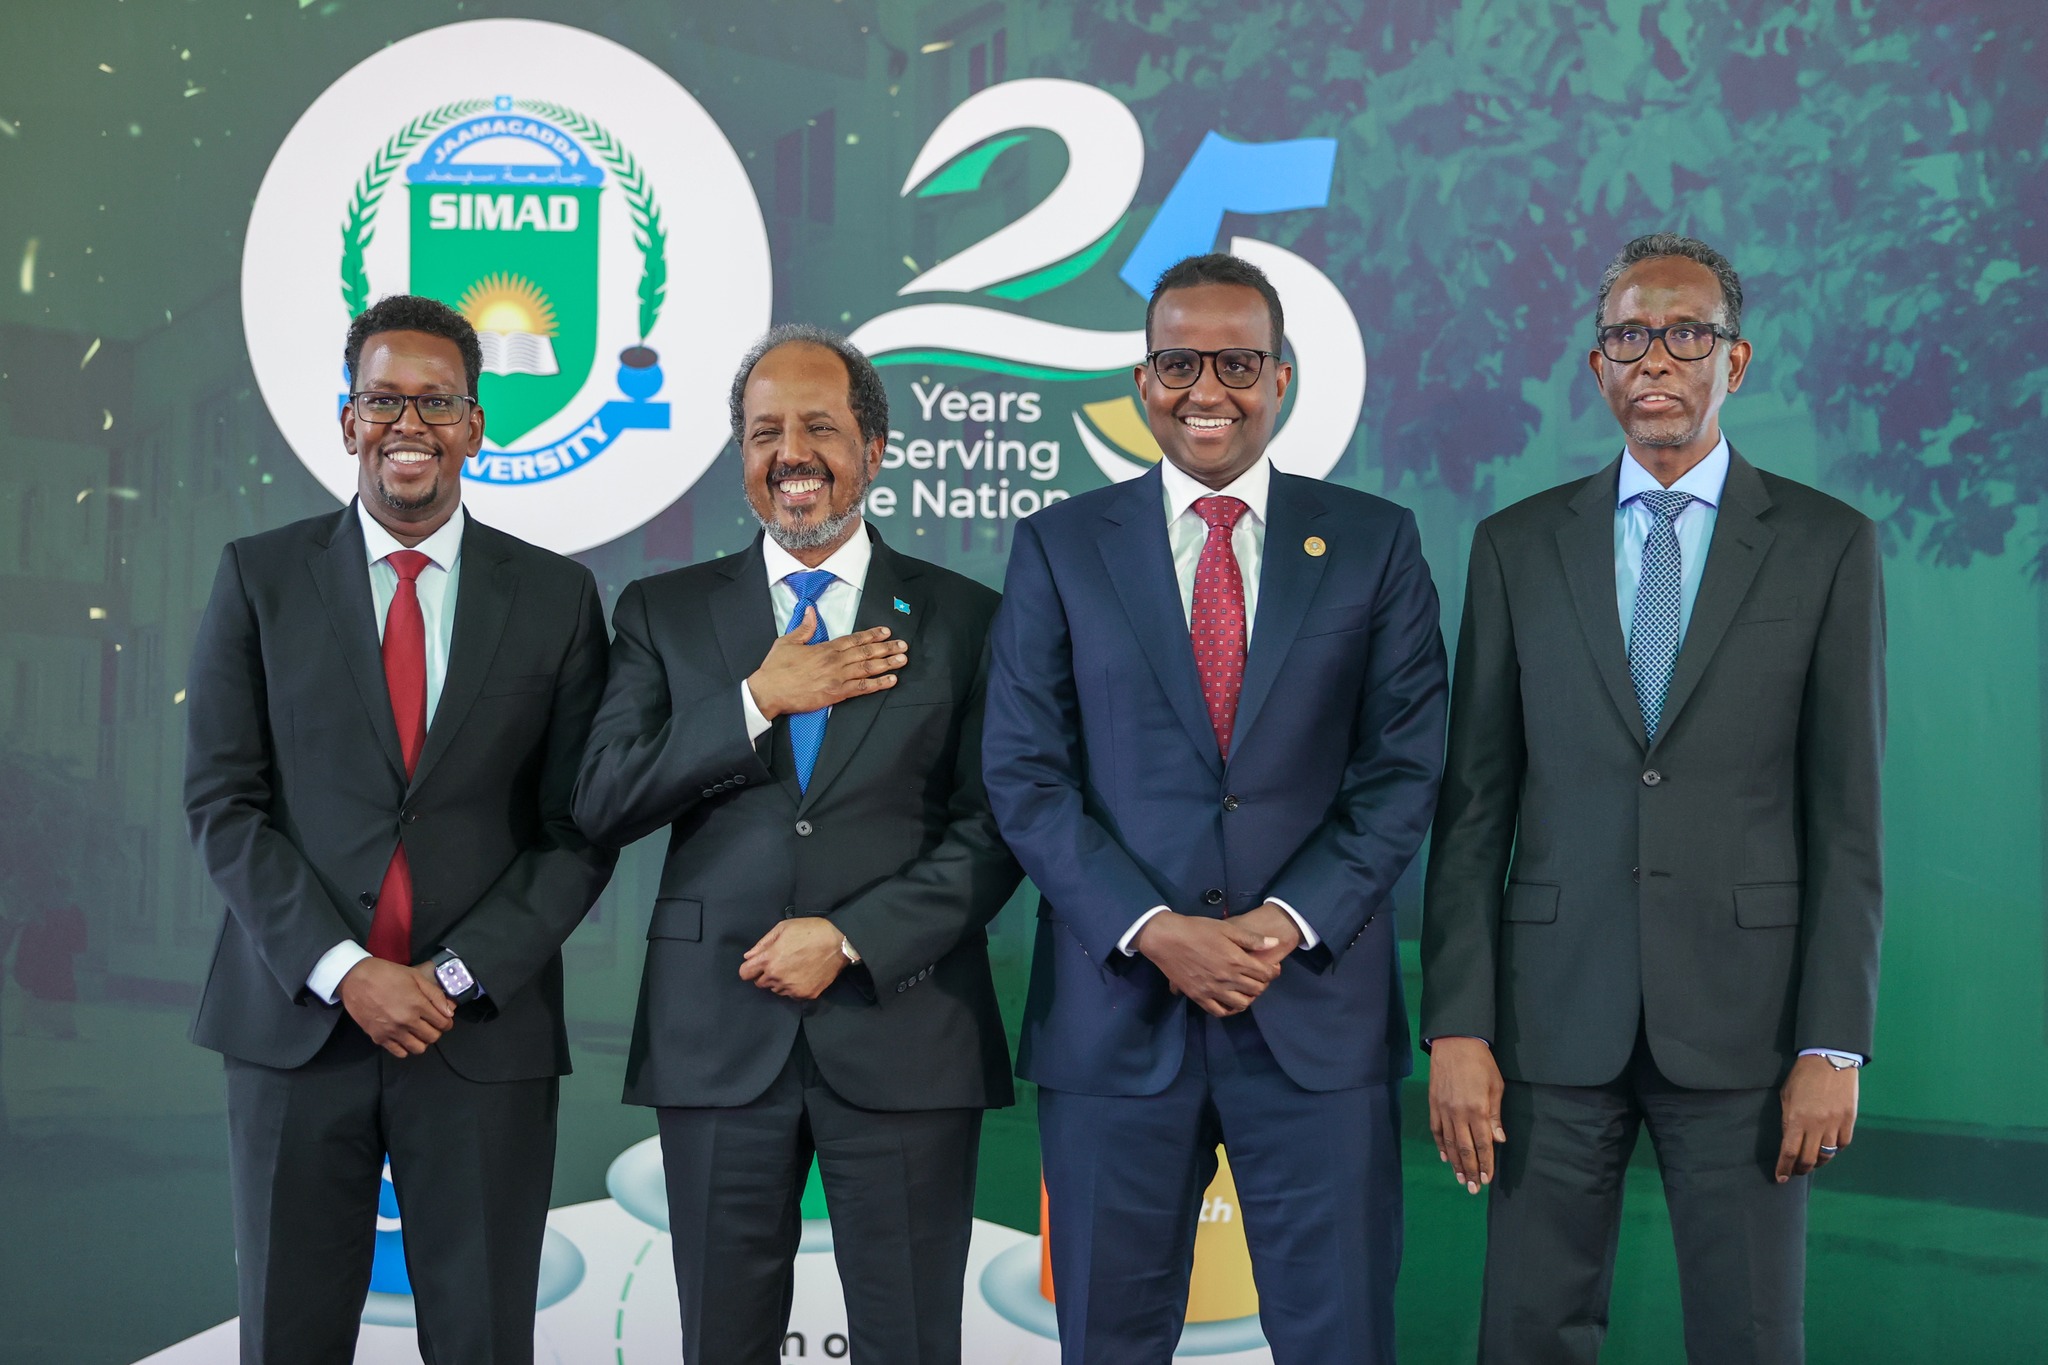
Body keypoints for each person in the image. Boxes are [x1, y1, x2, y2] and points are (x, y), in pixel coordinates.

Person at [1423, 232, 1885, 1364]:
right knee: (1527, 1329)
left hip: (1746, 1025)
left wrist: (1833, 1043)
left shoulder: (1827, 545)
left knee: (1747, 1333)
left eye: (1686, 334)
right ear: (1597, 369)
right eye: (1628, 336)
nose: (1655, 360)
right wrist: (1458, 1023)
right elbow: (1474, 804)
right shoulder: (1514, 546)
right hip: (1547, 1020)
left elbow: (1845, 814)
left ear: (1735, 362)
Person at [983, 252, 1448, 1364]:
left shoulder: (1374, 543)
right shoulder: (1059, 546)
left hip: (1312, 1013)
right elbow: (1023, 773)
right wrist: (1158, 933)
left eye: (1236, 362)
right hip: (1115, 1014)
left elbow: (1401, 769)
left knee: (1338, 1336)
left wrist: (1280, 924)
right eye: (1179, 363)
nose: (1207, 390)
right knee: (1108, 1338)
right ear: (1142, 382)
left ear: (1280, 378)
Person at [573, 325, 1021, 1365]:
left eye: (819, 426)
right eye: (764, 430)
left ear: (873, 448)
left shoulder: (965, 618)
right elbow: (600, 799)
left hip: (905, 1028)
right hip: (716, 1035)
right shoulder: (662, 612)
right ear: (740, 454)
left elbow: (998, 827)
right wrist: (754, 701)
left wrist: (855, 936)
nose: (791, 452)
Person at [184, 294, 616, 1364]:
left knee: (479, 1341)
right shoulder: (259, 578)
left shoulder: (559, 600)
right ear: (347, 419)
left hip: (478, 1038)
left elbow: (579, 826)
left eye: (434, 401)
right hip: (296, 1031)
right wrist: (344, 969)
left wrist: (453, 978)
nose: (406, 424)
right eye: (383, 399)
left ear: (477, 425)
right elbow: (222, 803)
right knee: (288, 1338)